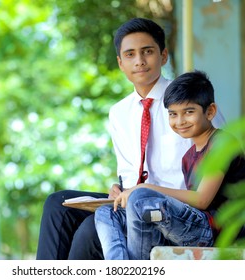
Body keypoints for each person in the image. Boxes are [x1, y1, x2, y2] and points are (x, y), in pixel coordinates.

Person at [36, 18, 224, 260]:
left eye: (148, 52)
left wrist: (142, 192)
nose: (139, 61)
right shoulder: (119, 112)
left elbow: (215, 165)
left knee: (91, 230)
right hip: (130, 201)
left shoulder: (189, 104)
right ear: (120, 63)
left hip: (171, 210)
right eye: (130, 54)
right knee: (57, 204)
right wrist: (119, 189)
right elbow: (129, 170)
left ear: (163, 55)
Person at [94, 70, 245, 260]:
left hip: (213, 230)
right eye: (173, 114)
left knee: (141, 198)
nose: (180, 121)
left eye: (189, 112)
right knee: (107, 213)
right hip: (189, 226)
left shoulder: (222, 143)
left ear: (210, 111)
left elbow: (202, 200)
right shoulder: (188, 156)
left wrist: (144, 188)